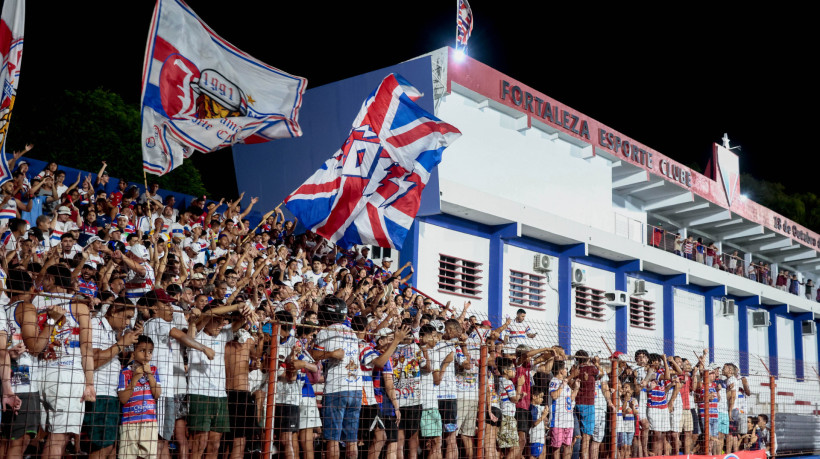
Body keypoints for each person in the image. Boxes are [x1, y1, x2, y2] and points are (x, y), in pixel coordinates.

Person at [311, 296, 362, 459]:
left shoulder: (325, 332)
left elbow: (314, 355)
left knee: (332, 439)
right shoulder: (352, 333)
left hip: (336, 390)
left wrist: (331, 354)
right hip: (355, 390)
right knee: (351, 440)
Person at [118, 335, 161, 459]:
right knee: (127, 455)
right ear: (134, 352)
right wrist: (135, 377)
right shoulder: (125, 372)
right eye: (142, 350)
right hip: (129, 422)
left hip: (149, 421)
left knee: (148, 455)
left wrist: (149, 374)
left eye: (150, 352)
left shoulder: (153, 370)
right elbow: (123, 399)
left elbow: (157, 394)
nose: (147, 355)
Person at [549, 360, 579, 459]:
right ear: (561, 371)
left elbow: (571, 399)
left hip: (568, 421)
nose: (567, 370)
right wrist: (564, 383)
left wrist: (576, 389)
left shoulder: (566, 384)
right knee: (556, 448)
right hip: (558, 421)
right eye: (565, 368)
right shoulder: (554, 381)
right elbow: (554, 395)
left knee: (568, 446)